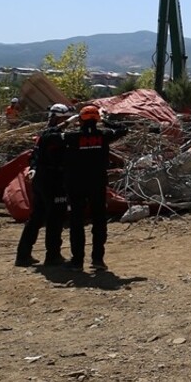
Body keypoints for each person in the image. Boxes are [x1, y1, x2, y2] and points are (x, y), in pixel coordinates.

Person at [64, 105, 125, 271]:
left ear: (80, 119)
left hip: (76, 184)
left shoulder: (72, 137)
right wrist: (105, 119)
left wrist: (67, 123)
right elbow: (123, 129)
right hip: (97, 184)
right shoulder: (104, 135)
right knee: (99, 221)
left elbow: (49, 136)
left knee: (77, 221)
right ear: (97, 119)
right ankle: (97, 259)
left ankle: (77, 261)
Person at [15, 104, 71, 267]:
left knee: (37, 217)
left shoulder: (44, 135)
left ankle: (23, 255)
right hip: (52, 180)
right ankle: (53, 255)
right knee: (55, 217)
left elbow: (34, 157)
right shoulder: (52, 134)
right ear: (57, 117)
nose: (66, 121)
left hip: (41, 179)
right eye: (64, 118)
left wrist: (33, 168)